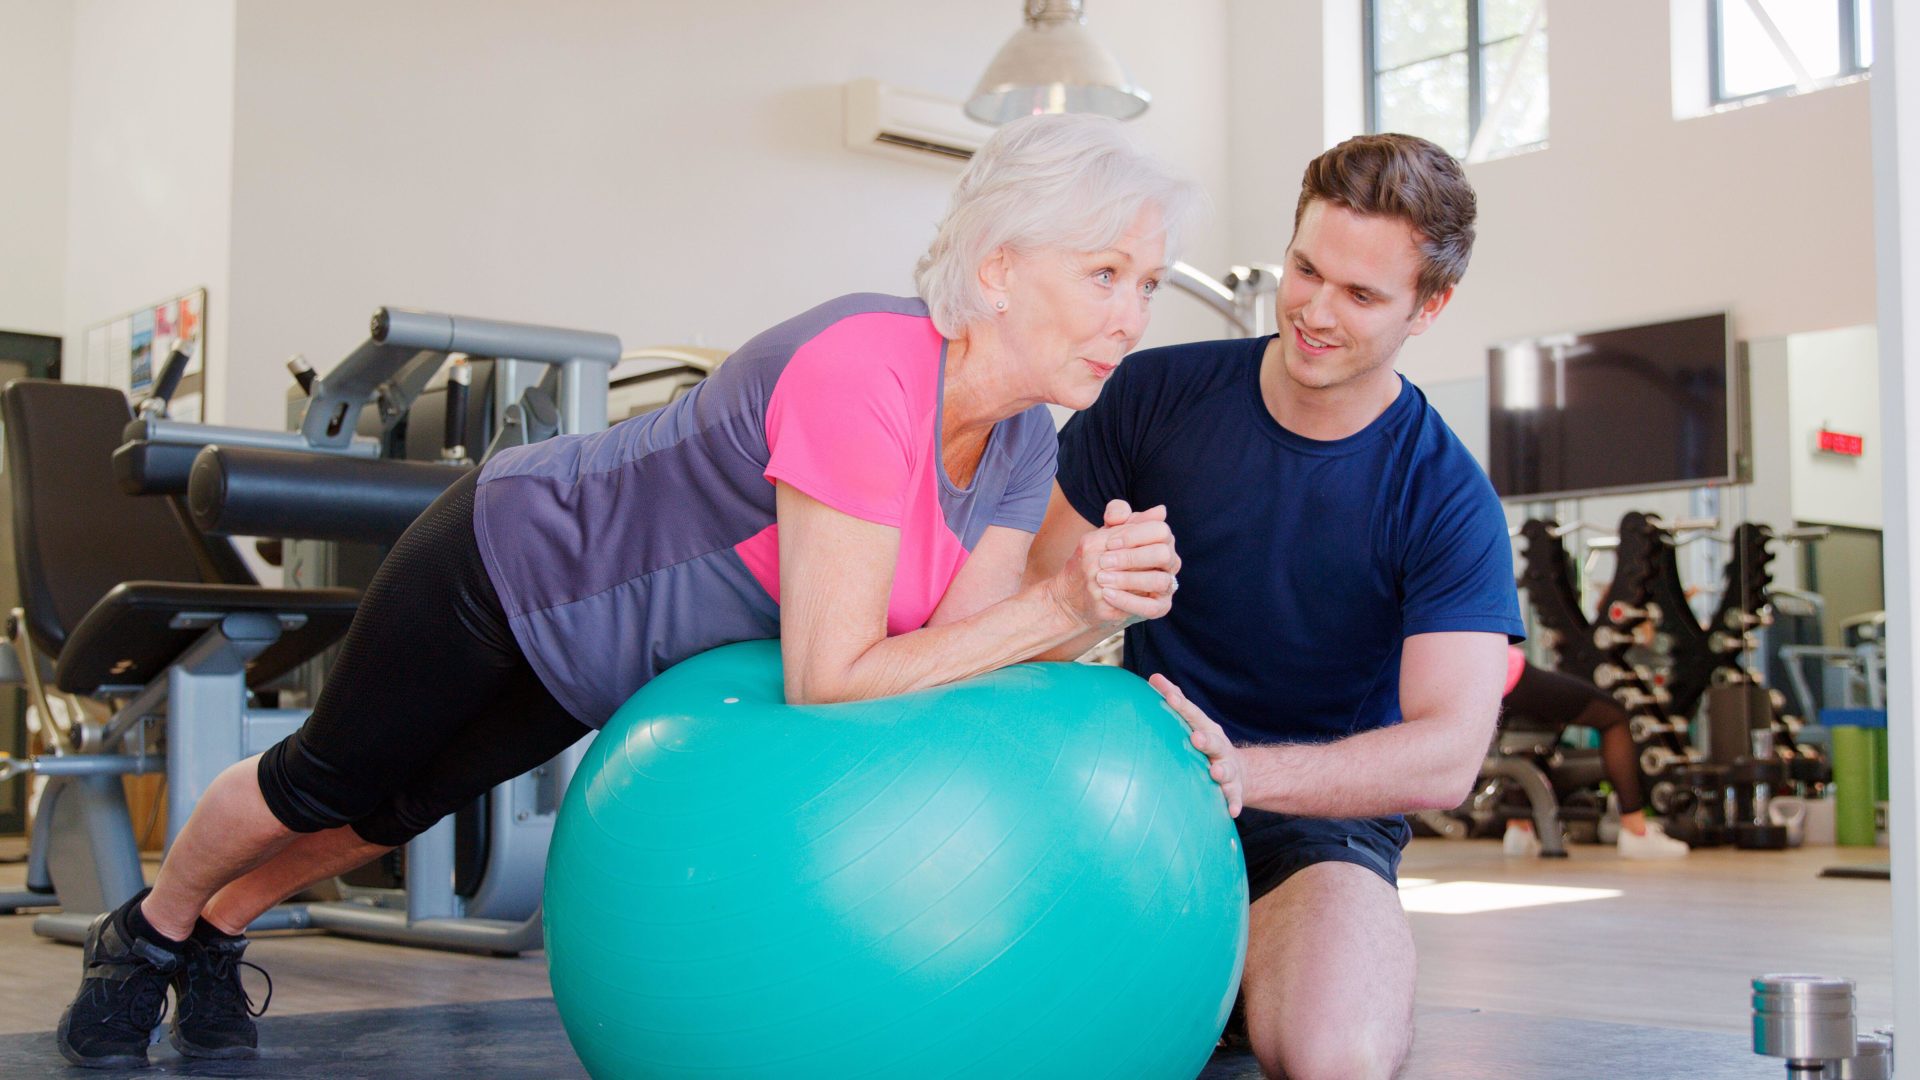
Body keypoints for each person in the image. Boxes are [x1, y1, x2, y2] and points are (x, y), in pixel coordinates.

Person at [57, 113, 1203, 1070]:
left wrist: (1087, 613)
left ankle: (218, 930)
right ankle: (149, 932)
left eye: (1146, 284)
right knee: (325, 780)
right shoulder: (866, 371)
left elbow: (955, 658)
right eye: (1104, 275)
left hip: (601, 664)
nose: (1132, 317)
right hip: (506, 565)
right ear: (998, 269)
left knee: (395, 814)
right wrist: (1061, 605)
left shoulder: (1022, 450)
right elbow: (836, 676)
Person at [1027, 133, 1519, 1080]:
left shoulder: (1446, 495)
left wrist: (1237, 771)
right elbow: (1027, 614)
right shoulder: (1151, 396)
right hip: (1130, 793)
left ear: (1430, 307)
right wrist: (1090, 596)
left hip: (1314, 828)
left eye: (1361, 295)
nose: (1315, 313)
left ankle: (1259, 971)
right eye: (1306, 270)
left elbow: (1450, 754)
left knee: (1338, 1054)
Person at [1498, 647, 1691, 858]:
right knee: (1613, 716)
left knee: (1537, 718)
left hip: (1489, 685)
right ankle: (1636, 832)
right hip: (1505, 674)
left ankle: (1519, 828)